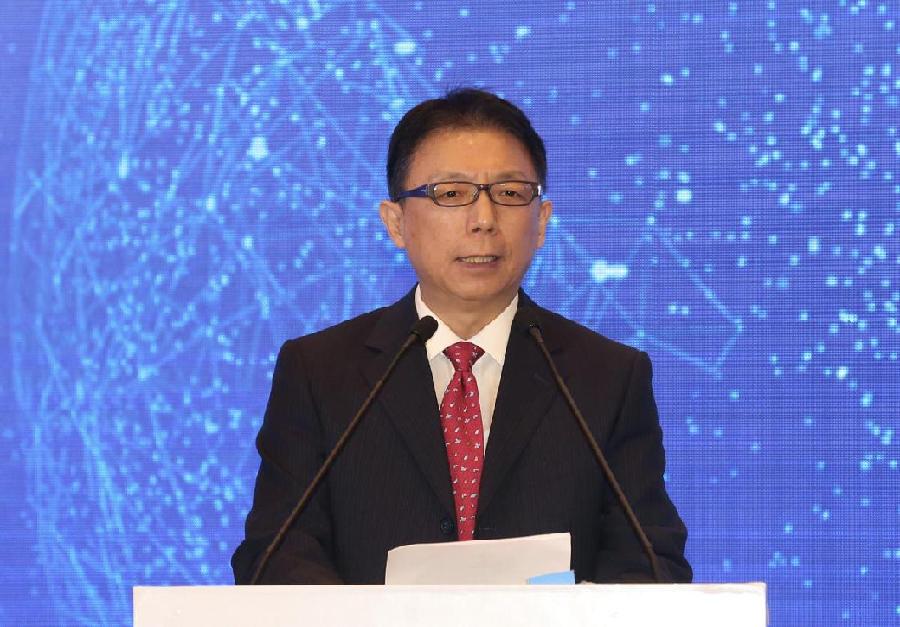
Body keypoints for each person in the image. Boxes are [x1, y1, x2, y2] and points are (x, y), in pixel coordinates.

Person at [232, 88, 691, 584]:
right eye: (450, 194)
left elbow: (649, 564)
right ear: (396, 223)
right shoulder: (320, 372)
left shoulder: (607, 377)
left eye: (510, 193)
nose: (484, 221)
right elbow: (276, 555)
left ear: (541, 222)